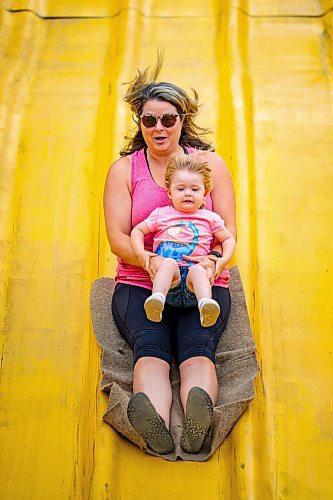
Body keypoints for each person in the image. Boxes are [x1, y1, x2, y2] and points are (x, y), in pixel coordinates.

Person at [103, 57, 236, 455]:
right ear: (139, 123)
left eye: (167, 119)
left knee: (197, 347)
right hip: (143, 282)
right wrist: (154, 264)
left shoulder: (211, 165)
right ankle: (157, 423)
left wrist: (212, 262)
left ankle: (196, 421)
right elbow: (117, 238)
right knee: (152, 349)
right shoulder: (124, 170)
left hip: (202, 284)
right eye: (149, 120)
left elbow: (228, 229)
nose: (158, 128)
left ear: (182, 120)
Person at [131, 154, 236, 328]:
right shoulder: (161, 214)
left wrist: (222, 261)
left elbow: (228, 239)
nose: (188, 193)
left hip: (194, 286)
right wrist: (142, 254)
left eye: (195, 189)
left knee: (198, 270)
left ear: (205, 194)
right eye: (181, 189)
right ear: (169, 192)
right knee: (169, 263)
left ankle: (205, 305)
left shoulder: (210, 218)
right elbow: (138, 231)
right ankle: (157, 300)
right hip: (169, 282)